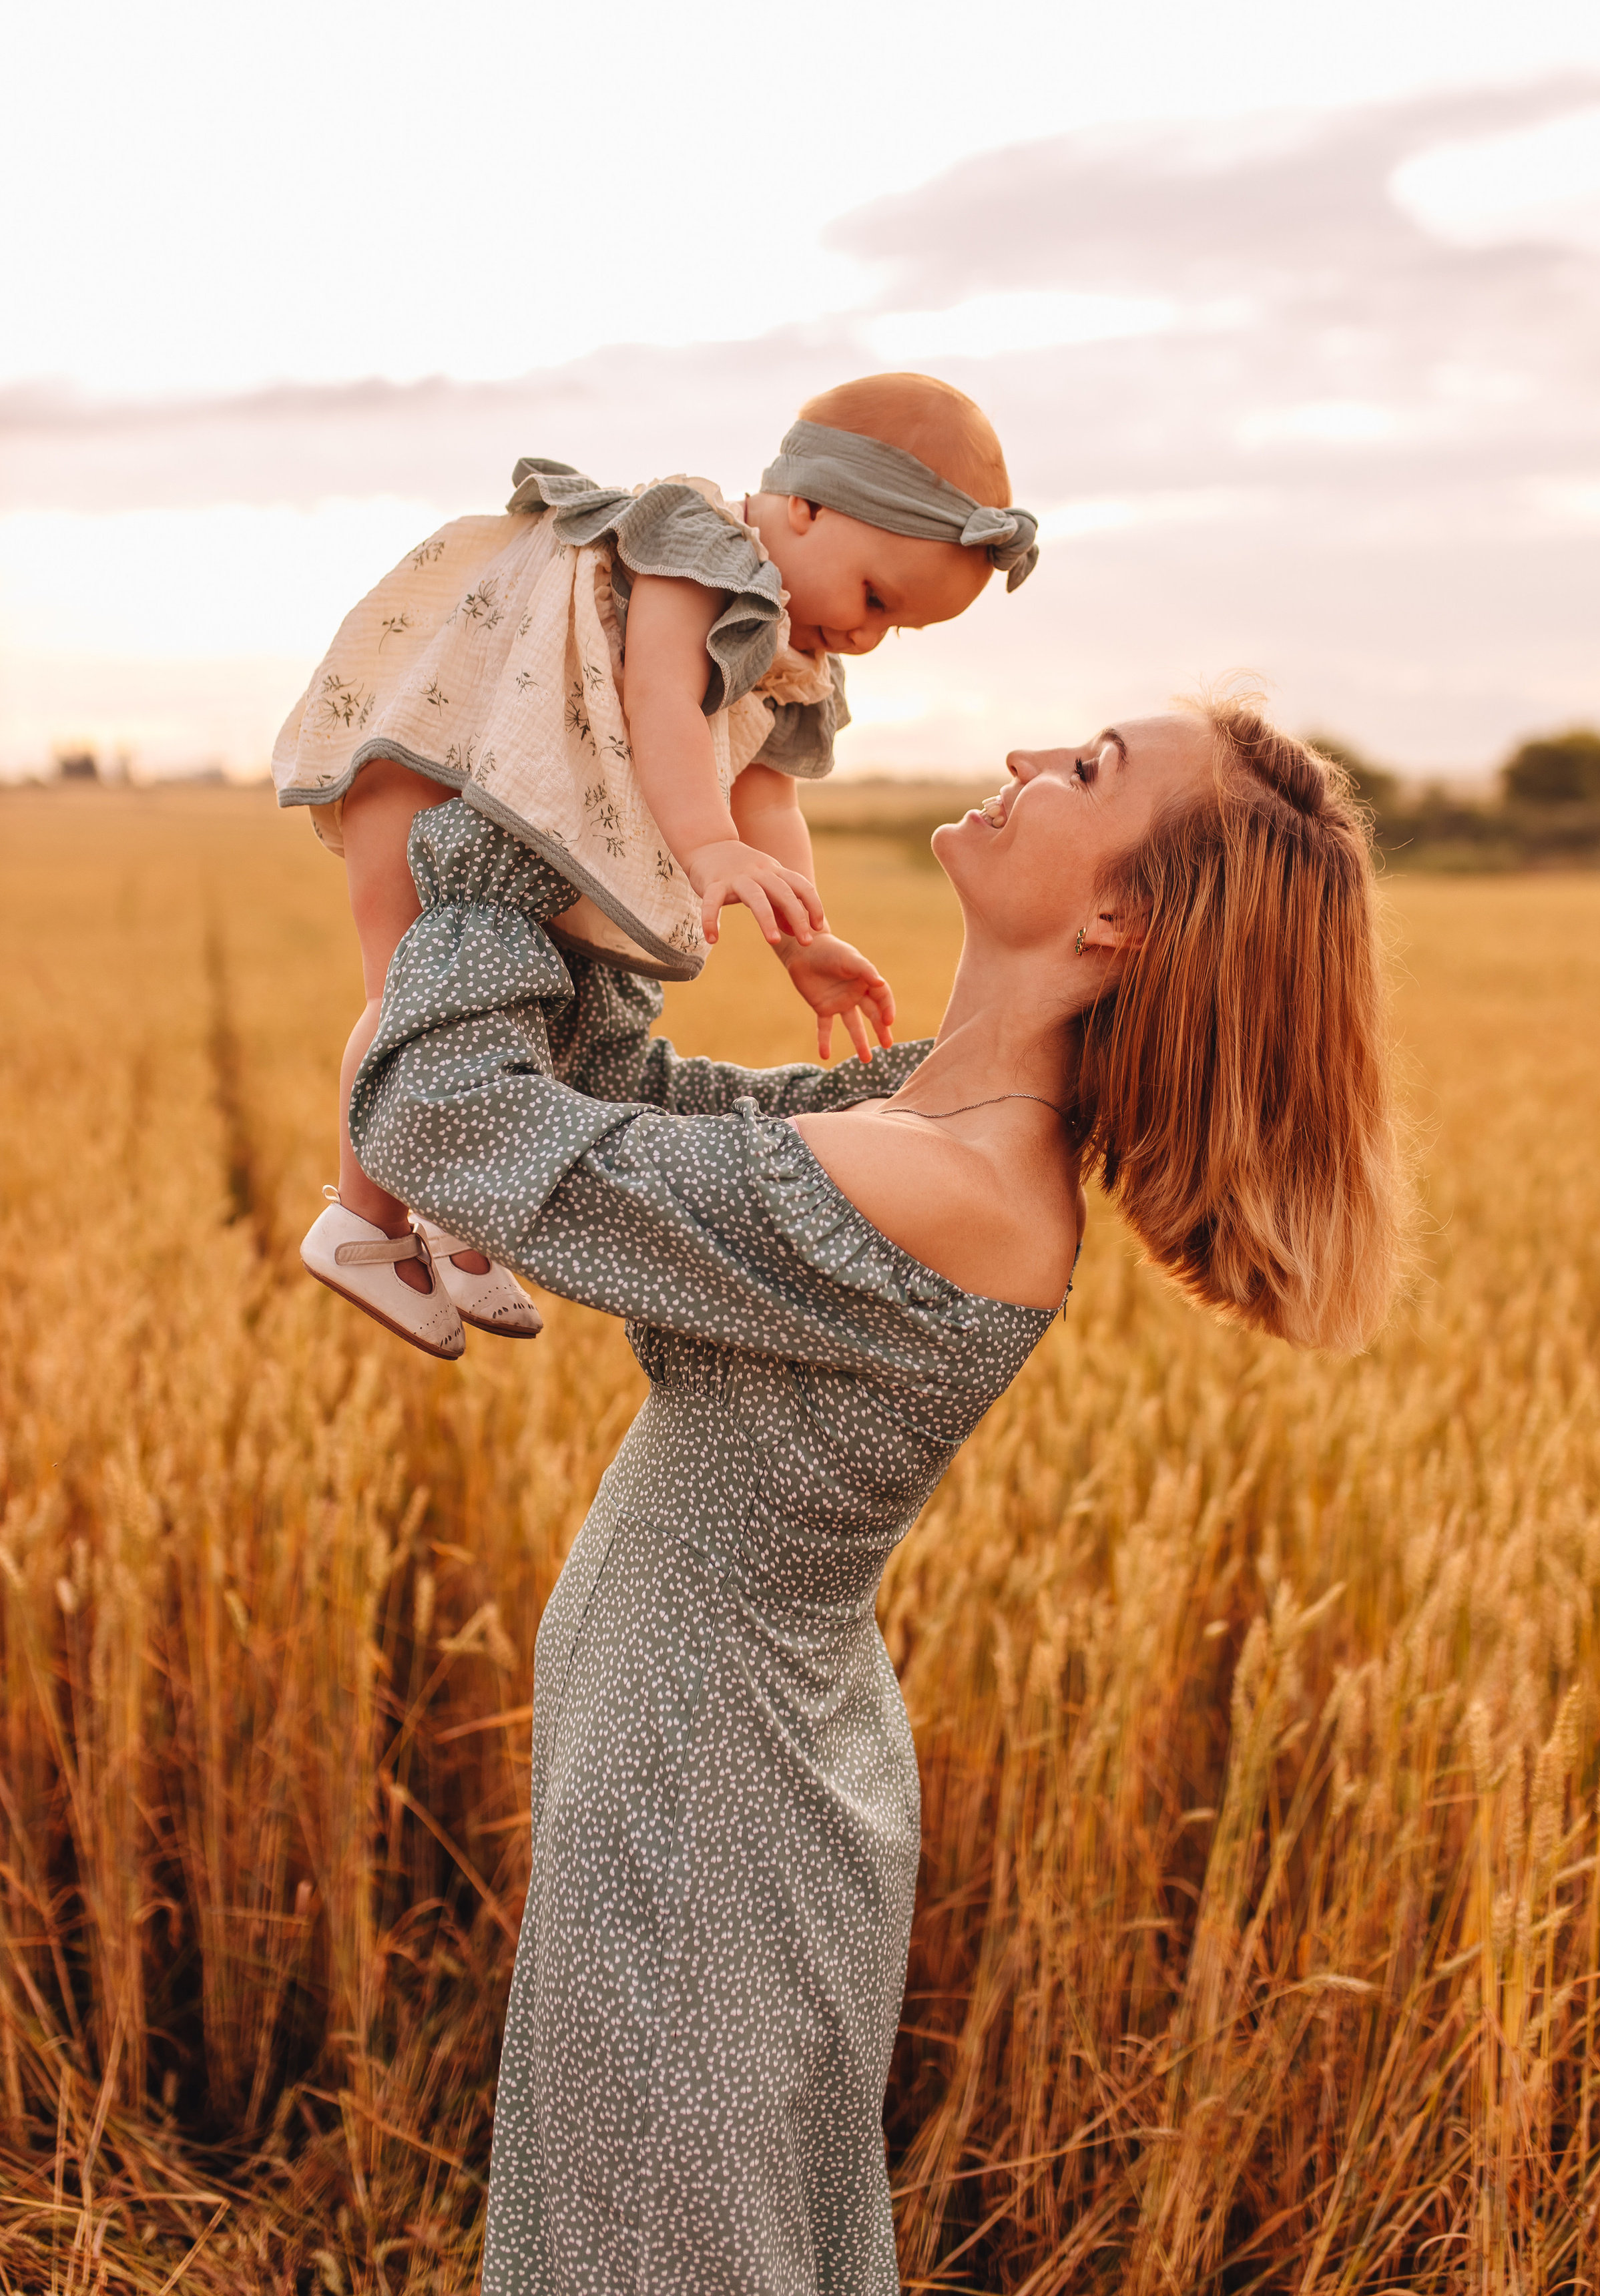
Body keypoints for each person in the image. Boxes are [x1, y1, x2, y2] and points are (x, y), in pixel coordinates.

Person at [348, 696, 1407, 2294]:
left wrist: (496, 840)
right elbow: (618, 1084)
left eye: (1085, 771)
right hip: (716, 1755)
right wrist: (617, 813)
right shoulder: (921, 1120)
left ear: (1119, 914)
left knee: (667, 2251)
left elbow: (446, 1126)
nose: (1020, 761)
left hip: (710, 1799)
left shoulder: (944, 1186)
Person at [272, 373, 1039, 1359]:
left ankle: (454, 1221)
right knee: (415, 985)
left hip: (518, 789)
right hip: (446, 747)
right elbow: (663, 696)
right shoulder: (701, 544)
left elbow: (765, 796)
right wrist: (706, 846)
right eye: (875, 597)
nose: (865, 636)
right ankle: (363, 1229)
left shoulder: (795, 658)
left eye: (898, 629)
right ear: (804, 508)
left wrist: (802, 941)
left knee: (526, 1001)